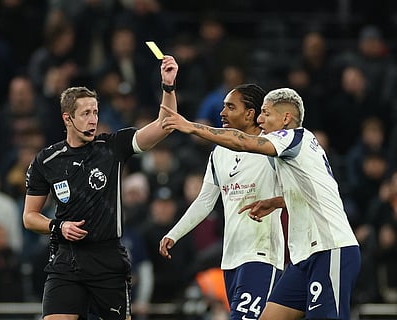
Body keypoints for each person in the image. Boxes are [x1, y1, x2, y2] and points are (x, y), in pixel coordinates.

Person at [160, 87, 360, 320]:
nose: (260, 119)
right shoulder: (291, 152)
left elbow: (246, 143)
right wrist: (277, 202)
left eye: (266, 113)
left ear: (286, 118)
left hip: (329, 247)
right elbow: (315, 191)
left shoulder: (295, 137)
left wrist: (192, 127)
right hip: (302, 255)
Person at [22, 55, 179, 320]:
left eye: (95, 112)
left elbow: (165, 125)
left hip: (107, 260)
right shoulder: (46, 160)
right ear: (67, 118)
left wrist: (168, 86)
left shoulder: (112, 148)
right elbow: (29, 217)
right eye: (85, 113)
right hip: (66, 259)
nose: (93, 119)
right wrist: (58, 226)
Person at [159, 84, 286, 320]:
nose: (222, 113)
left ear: (250, 113)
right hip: (230, 259)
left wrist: (276, 202)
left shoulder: (273, 147)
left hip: (262, 255)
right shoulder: (219, 152)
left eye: (230, 107)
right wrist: (174, 234)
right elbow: (205, 201)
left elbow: (301, 192)